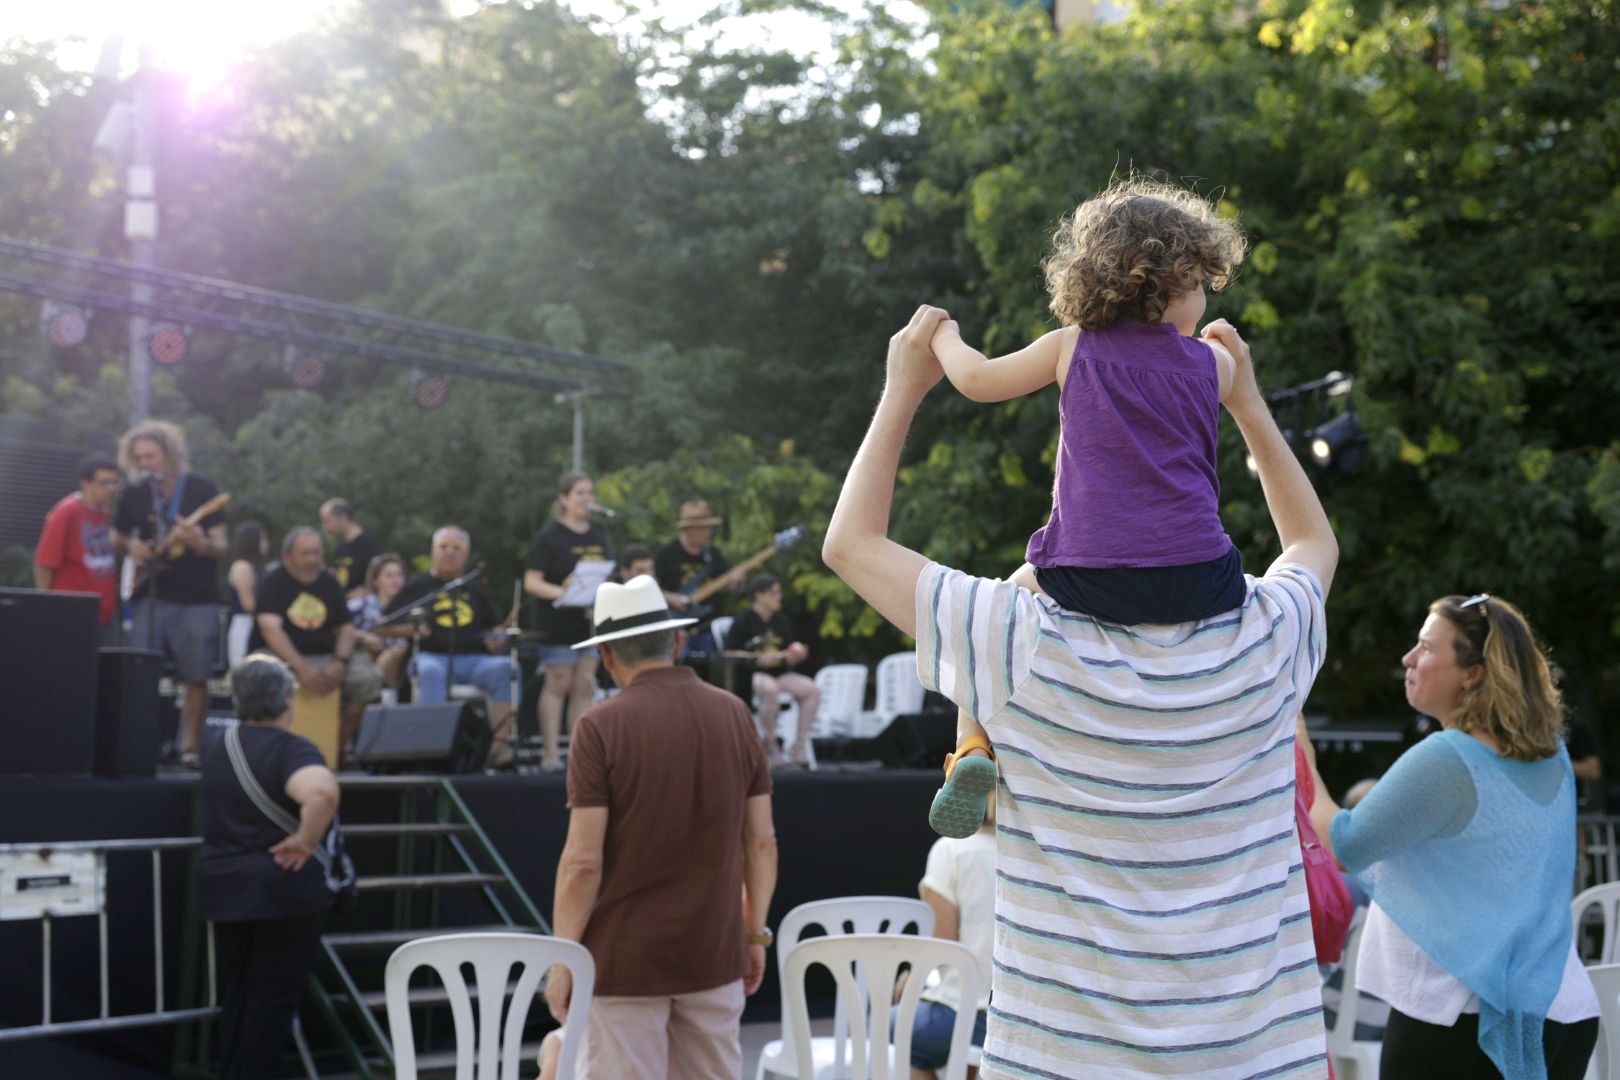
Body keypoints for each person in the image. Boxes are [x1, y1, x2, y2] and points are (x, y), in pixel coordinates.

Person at [822, 305, 1336, 1077]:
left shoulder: (1020, 640)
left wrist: (904, 390)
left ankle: (973, 746)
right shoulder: (1268, 640)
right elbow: (1313, 543)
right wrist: (1252, 406)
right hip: (1253, 1060)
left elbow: (850, 544)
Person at [925, 177, 1248, 839]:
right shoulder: (1210, 368)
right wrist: (1220, 346)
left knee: (996, 608)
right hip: (1203, 580)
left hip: (1090, 576)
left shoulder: (1073, 347)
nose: (1204, 298)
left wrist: (942, 339)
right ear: (1164, 284)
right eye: (1200, 284)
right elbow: (1233, 376)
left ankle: (973, 745)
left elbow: (978, 379)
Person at [1306, 594, 1599, 1079]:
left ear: (1473, 673)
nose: (1408, 659)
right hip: (1563, 1007)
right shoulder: (1552, 757)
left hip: (1461, 1016)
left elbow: (1346, 844)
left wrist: (1303, 756)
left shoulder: (1448, 758)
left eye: (1424, 648)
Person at [544, 575, 777, 1078]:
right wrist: (754, 935)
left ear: (606, 655)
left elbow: (582, 863)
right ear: (676, 640)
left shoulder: (598, 727)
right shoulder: (736, 714)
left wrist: (564, 962)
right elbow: (761, 843)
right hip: (714, 953)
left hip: (623, 962)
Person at [196, 655, 341, 1080]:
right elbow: (322, 795)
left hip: (225, 888)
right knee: (272, 999)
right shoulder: (292, 748)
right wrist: (305, 841)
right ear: (287, 699)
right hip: (282, 889)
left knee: (237, 992)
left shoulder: (216, 743)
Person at [112, 420, 228, 769]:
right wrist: (130, 545)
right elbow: (116, 535)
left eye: (151, 455)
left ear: (170, 454)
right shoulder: (134, 493)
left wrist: (200, 542)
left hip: (196, 598)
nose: (145, 463)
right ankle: (141, 742)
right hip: (150, 594)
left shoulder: (203, 489)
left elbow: (222, 544)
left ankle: (189, 747)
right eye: (139, 457)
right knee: (141, 670)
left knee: (196, 675)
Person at [892, 755, 996, 1078]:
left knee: (896, 1023)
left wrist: (909, 978)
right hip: (1015, 1014)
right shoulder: (1028, 852)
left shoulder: (950, 850)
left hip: (966, 1014)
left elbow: (942, 946)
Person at [379, 526, 515, 766]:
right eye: (443, 547)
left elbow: (495, 626)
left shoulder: (474, 588)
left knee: (505, 667)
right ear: (433, 551)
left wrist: (497, 637)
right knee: (430, 671)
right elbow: (380, 626)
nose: (449, 553)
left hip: (474, 660)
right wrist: (410, 630)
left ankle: (499, 748)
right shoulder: (416, 587)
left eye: (456, 548)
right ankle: (434, 747)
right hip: (431, 656)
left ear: (466, 554)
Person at [251, 528, 383, 761]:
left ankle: (334, 751)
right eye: (305, 554)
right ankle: (268, 757)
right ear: (287, 556)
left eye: (317, 553)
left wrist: (340, 664)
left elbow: (345, 628)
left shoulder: (329, 582)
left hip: (327, 655)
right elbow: (270, 629)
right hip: (280, 657)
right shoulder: (273, 581)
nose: (312, 560)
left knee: (368, 680)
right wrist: (302, 669)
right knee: (261, 680)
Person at [524, 471, 613, 772]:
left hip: (588, 621)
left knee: (584, 684)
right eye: (580, 493)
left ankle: (579, 754)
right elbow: (532, 582)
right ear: (563, 499)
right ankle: (550, 755)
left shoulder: (598, 538)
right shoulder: (549, 538)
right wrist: (562, 591)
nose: (587, 499)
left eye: (590, 493)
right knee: (558, 682)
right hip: (557, 621)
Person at [725, 573, 820, 768]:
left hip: (779, 674)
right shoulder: (743, 620)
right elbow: (729, 653)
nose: (779, 597)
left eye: (779, 593)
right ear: (758, 595)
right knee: (770, 689)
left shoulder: (780, 621)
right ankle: (770, 745)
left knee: (812, 690)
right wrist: (756, 659)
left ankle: (799, 746)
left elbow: (787, 650)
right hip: (752, 674)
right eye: (774, 593)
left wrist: (796, 654)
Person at [34, 452, 121, 645]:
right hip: (73, 613)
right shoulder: (67, 511)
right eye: (105, 483)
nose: (112, 488)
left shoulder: (105, 512)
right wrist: (45, 606)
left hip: (105, 614)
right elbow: (44, 563)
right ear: (86, 483)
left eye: (115, 482)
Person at [654, 500, 745, 652]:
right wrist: (670, 598)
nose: (709, 532)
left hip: (708, 627)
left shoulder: (713, 555)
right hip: (677, 628)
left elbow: (732, 592)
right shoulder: (667, 555)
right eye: (704, 528)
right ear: (689, 529)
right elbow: (650, 588)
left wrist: (736, 583)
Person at [349, 552, 409, 694]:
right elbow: (339, 627)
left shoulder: (411, 608)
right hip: (361, 663)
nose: (396, 580)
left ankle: (385, 698)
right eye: (389, 575)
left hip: (401, 669)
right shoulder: (360, 605)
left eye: (400, 575)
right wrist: (363, 636)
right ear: (375, 581)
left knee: (394, 653)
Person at [319, 498, 386, 601]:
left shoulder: (369, 547)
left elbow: (386, 581)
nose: (325, 528)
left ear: (343, 517)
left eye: (327, 521)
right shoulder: (341, 549)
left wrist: (368, 591)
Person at [226, 523, 269, 668]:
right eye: (263, 539)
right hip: (245, 626)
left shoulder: (251, 566)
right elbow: (248, 604)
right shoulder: (243, 567)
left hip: (252, 625)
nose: (266, 544)